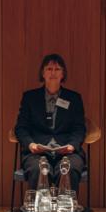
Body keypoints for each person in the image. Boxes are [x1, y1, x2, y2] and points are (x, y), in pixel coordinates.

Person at [15, 53, 86, 192]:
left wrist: (72, 145)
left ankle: (66, 211)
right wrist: (31, 144)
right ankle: (38, 211)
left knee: (68, 169)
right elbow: (21, 128)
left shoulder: (74, 98)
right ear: (42, 73)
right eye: (49, 69)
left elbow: (79, 128)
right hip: (37, 153)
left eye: (57, 69)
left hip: (68, 152)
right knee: (39, 169)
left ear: (63, 74)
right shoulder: (30, 98)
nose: (53, 72)